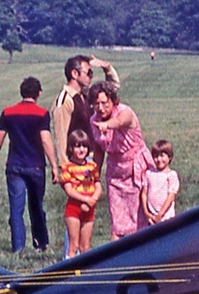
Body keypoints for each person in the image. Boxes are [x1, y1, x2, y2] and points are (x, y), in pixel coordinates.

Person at [0, 77, 54, 254]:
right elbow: (46, 141)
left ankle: (18, 248)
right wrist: (54, 165)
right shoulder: (42, 114)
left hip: (15, 165)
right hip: (36, 166)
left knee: (16, 209)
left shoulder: (8, 113)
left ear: (22, 92)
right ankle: (40, 243)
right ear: (38, 93)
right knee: (36, 206)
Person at [90, 80, 149, 239]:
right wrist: (94, 175)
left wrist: (107, 125)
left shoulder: (125, 112)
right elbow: (99, 150)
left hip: (137, 170)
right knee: (117, 224)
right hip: (115, 174)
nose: (101, 108)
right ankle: (116, 259)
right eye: (96, 104)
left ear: (112, 100)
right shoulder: (94, 120)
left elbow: (119, 122)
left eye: (104, 103)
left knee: (141, 220)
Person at [50, 54, 119, 177]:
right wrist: (64, 167)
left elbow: (112, 89)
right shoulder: (65, 100)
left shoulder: (86, 95)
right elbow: (60, 136)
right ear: (75, 74)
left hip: (91, 159)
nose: (91, 76)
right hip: (75, 161)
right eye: (88, 73)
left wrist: (107, 67)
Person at [59, 130, 102, 255]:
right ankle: (69, 271)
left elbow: (98, 185)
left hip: (90, 208)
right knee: (74, 245)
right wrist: (86, 200)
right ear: (71, 148)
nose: (81, 150)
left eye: (84, 146)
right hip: (74, 209)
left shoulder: (92, 166)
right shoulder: (67, 167)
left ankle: (85, 273)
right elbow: (69, 190)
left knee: (85, 246)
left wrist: (92, 200)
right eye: (77, 146)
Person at [143, 140, 180, 226]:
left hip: (166, 216)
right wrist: (146, 212)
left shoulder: (171, 175)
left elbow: (171, 196)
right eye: (156, 156)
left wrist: (160, 214)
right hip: (151, 216)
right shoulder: (149, 174)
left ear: (169, 157)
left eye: (162, 156)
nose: (159, 159)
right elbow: (144, 193)